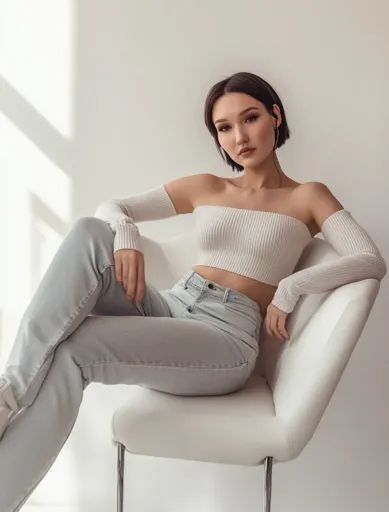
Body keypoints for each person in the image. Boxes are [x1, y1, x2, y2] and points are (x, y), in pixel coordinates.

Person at [0, 71, 386, 511]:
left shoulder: (308, 197)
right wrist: (125, 233)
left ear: (275, 116)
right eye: (224, 128)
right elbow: (115, 207)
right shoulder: (208, 187)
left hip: (225, 338)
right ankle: (8, 392)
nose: (239, 136)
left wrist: (291, 287)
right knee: (91, 232)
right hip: (171, 303)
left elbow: (370, 259)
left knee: (77, 348)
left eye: (250, 118)